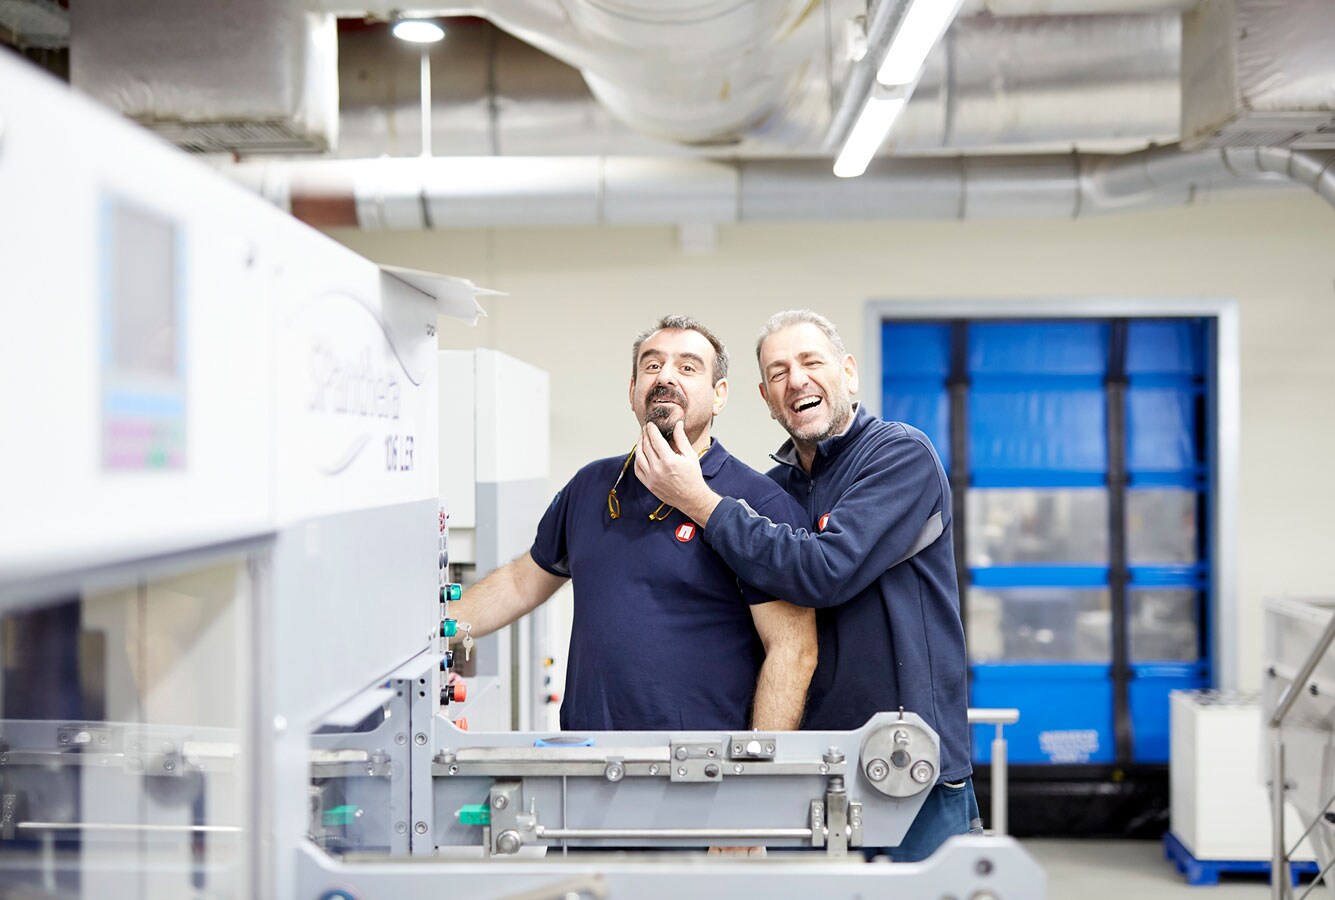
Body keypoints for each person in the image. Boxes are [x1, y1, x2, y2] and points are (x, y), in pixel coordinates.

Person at [634, 309, 978, 861]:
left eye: (810, 362)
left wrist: (697, 500)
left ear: (849, 373)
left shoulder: (899, 456)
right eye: (777, 372)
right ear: (768, 400)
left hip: (907, 770)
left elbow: (824, 571)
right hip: (811, 767)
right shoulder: (774, 493)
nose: (796, 380)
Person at [448, 315, 817, 733]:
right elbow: (521, 581)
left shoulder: (759, 502)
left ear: (719, 395)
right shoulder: (591, 485)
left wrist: (757, 771)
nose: (666, 377)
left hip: (700, 771)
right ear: (632, 390)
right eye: (652, 365)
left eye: (688, 367)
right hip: (588, 756)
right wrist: (436, 632)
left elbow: (792, 649)